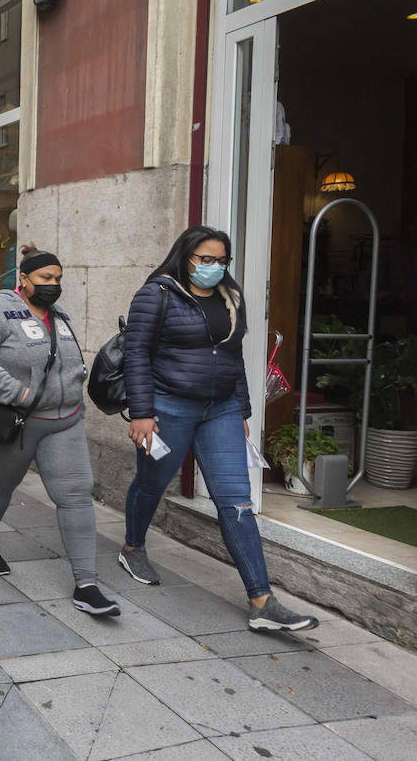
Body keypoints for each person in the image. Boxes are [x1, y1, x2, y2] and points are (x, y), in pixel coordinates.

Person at [121, 226, 317, 632]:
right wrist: (141, 411)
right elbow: (136, 353)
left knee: (237, 501)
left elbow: (233, 356)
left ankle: (262, 601)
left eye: (220, 260)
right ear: (185, 256)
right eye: (204, 259)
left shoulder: (230, 297)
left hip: (221, 409)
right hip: (168, 406)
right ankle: (133, 546)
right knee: (151, 484)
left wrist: (242, 409)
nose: (212, 267)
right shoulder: (156, 294)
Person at [0, 246, 120, 617]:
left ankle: (87, 584)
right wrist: (17, 392)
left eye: (58, 279)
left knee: (77, 496)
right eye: (45, 278)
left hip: (64, 421)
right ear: (24, 278)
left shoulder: (58, 315)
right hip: (16, 422)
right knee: (0, 485)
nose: (52, 285)